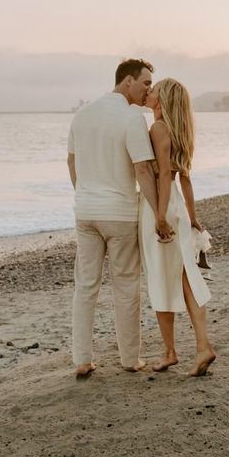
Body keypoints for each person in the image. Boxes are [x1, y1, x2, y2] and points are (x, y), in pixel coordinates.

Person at [67, 59, 173, 378]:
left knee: (85, 285)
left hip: (86, 211)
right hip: (120, 213)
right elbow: (142, 169)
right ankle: (130, 359)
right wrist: (159, 214)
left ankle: (82, 359)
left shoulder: (82, 114)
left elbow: (71, 162)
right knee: (126, 284)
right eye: (145, 83)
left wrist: (84, 193)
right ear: (127, 81)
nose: (148, 90)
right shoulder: (131, 118)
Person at [139, 77, 216, 376]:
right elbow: (184, 177)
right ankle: (202, 346)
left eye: (154, 89)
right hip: (178, 209)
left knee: (160, 277)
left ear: (163, 99)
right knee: (188, 279)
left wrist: (159, 216)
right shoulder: (180, 131)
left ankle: (171, 352)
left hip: (161, 205)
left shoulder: (158, 128)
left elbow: (162, 177)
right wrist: (192, 218)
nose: (149, 92)